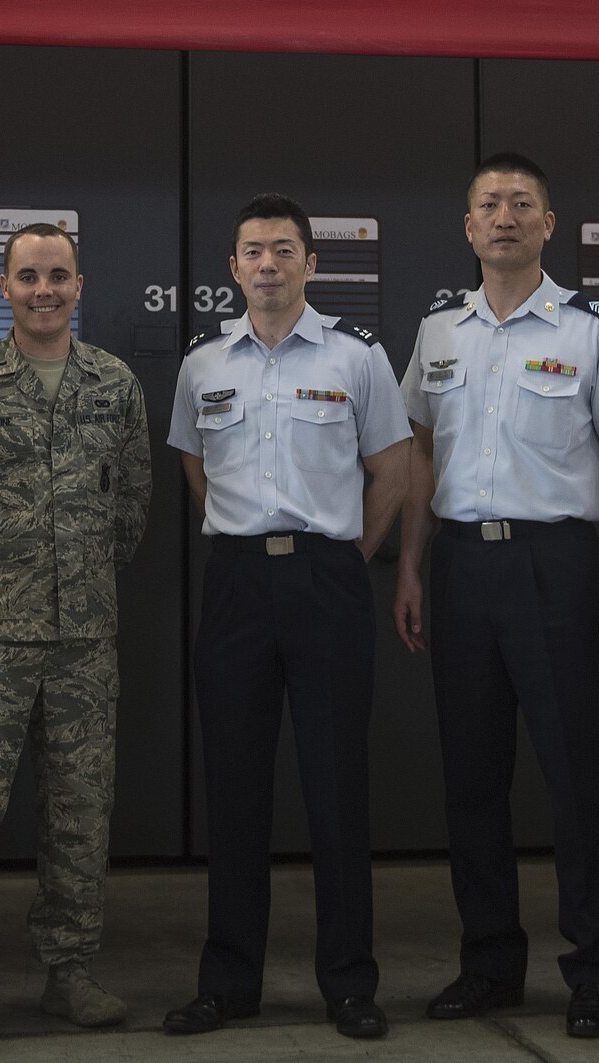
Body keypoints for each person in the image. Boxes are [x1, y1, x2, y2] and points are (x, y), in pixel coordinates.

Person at [394, 152, 599, 1040]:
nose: (503, 217)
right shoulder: (440, 330)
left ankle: (598, 969)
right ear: (467, 228)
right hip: (463, 567)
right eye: (487, 205)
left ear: (549, 224)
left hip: (560, 566)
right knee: (472, 779)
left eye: (521, 204)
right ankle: (490, 963)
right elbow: (420, 455)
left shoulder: (592, 324)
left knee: (580, 776)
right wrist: (409, 567)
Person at [161, 194, 410, 1042]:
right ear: (232, 268)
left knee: (338, 787)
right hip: (234, 584)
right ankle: (229, 981)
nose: (267, 264)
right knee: (233, 789)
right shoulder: (203, 363)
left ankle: (349, 982)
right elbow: (196, 465)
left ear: (311, 263)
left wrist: (340, 554)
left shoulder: (358, 355)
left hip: (328, 582)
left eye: (283, 250)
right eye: (252, 252)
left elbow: (391, 470)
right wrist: (249, 533)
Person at [0, 222, 151, 1057]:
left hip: (86, 638)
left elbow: (132, 510)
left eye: (58, 275)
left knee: (81, 814)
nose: (43, 288)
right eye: (27, 275)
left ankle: (69, 969)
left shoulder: (114, 383)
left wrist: (75, 581)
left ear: (80, 285)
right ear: (4, 287)